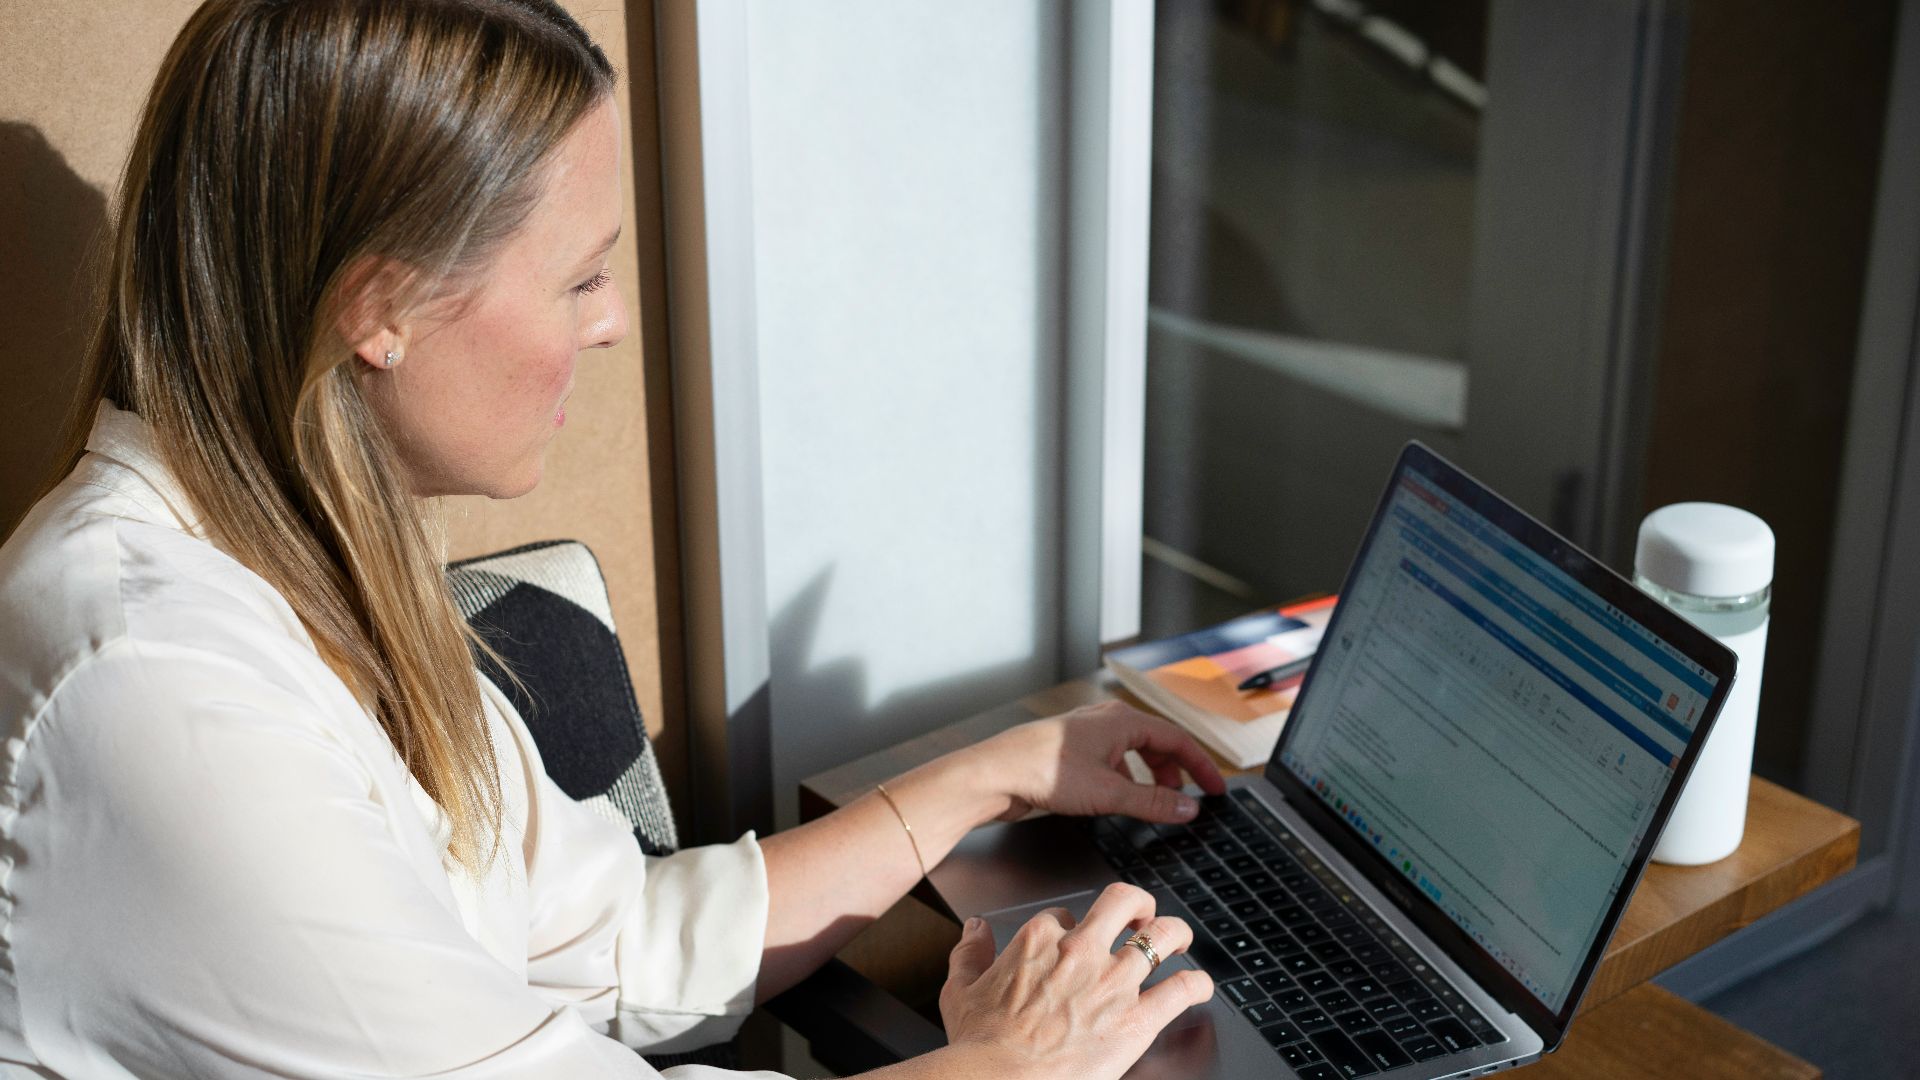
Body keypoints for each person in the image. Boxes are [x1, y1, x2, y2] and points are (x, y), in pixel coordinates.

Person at [0, 2, 1223, 1076]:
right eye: (581, 277)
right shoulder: (159, 690)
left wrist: (993, 773)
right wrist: (1013, 1067)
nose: (615, 322)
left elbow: (605, 937)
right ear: (380, 309)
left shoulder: (309, 555)